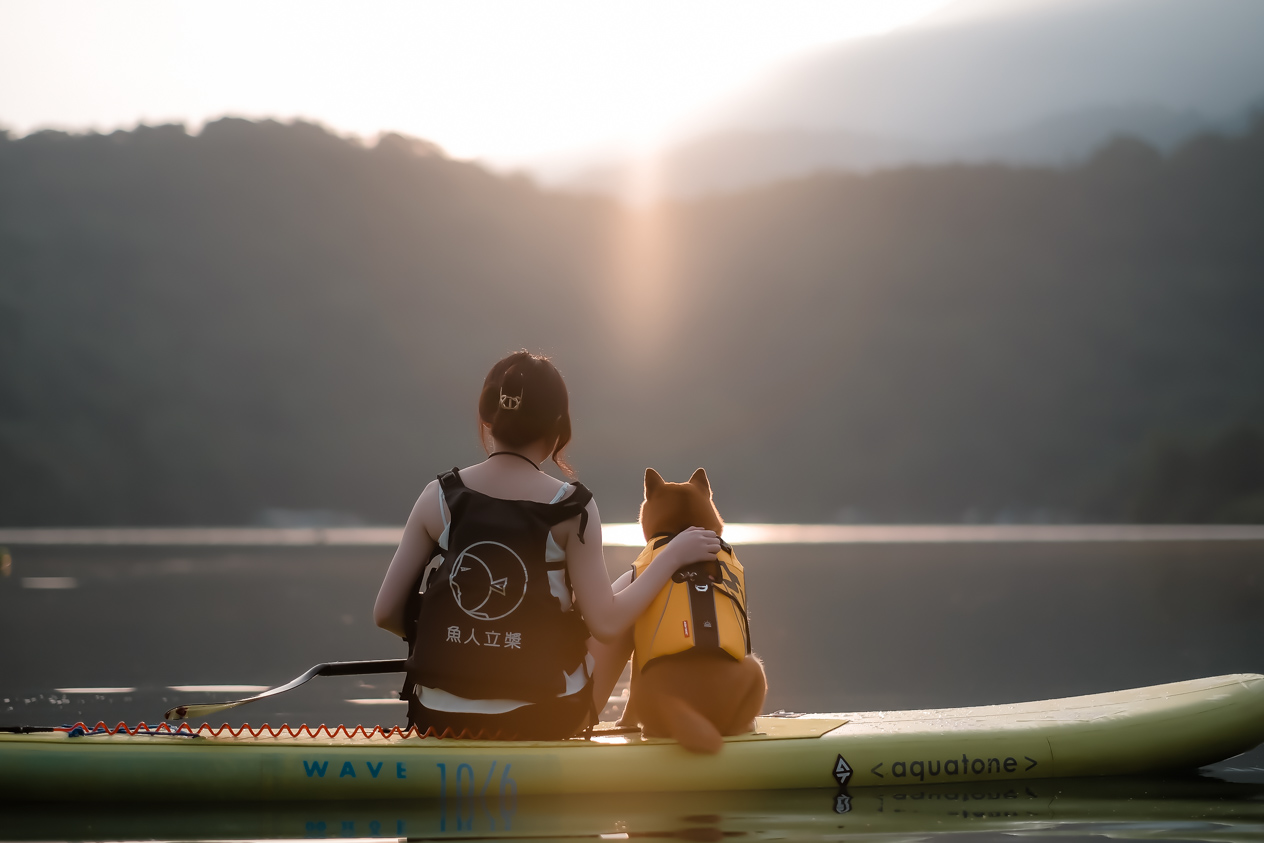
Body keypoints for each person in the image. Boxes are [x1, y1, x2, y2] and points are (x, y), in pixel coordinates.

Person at [374, 350, 720, 739]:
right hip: (542, 716)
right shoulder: (571, 506)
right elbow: (606, 624)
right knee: (640, 583)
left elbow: (386, 613)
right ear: (559, 423)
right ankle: (651, 721)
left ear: (488, 417)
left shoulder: (437, 496)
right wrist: (672, 555)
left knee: (629, 584)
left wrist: (462, 636)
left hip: (436, 715)